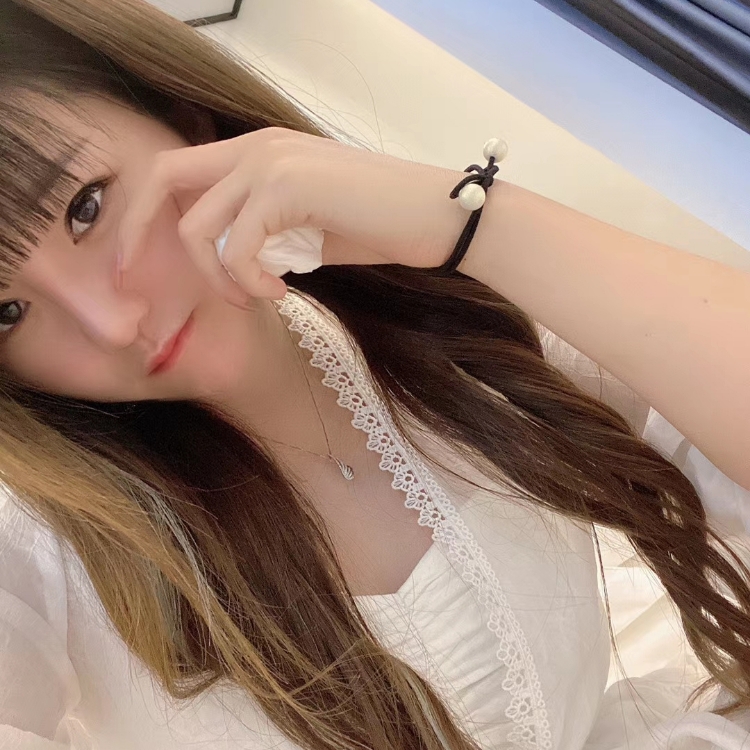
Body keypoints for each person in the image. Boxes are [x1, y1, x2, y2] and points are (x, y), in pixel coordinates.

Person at [0, 1, 749, 749]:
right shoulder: (34, 534)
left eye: (85, 207)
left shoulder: (445, 330)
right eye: (6, 312)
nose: (110, 323)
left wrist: (472, 223)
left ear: (184, 122)